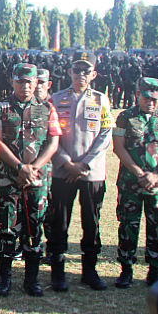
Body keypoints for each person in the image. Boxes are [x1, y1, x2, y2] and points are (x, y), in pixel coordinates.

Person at [0, 63, 61, 297]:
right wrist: (19, 166)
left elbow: (53, 142)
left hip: (36, 180)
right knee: (7, 228)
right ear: (12, 81)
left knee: (34, 228)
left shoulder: (47, 108)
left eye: (30, 82)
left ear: (36, 83)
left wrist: (34, 168)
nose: (26, 86)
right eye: (21, 81)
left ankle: (31, 279)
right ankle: (4, 279)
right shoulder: (0, 108)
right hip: (9, 178)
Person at [48, 51, 114, 292]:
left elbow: (105, 135)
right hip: (62, 172)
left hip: (91, 173)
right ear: (69, 72)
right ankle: (57, 273)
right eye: (77, 70)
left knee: (91, 222)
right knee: (59, 222)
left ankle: (90, 271)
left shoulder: (101, 100)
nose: (81, 75)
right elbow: (51, 135)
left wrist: (84, 164)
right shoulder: (55, 99)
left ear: (94, 74)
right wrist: (67, 163)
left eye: (86, 71)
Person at [113, 77, 158, 288]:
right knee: (128, 226)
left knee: (157, 225)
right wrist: (140, 172)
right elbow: (119, 148)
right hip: (130, 183)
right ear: (138, 94)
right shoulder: (125, 117)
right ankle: (126, 269)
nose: (150, 101)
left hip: (157, 185)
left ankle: (154, 268)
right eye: (146, 97)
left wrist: (157, 173)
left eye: (155, 98)